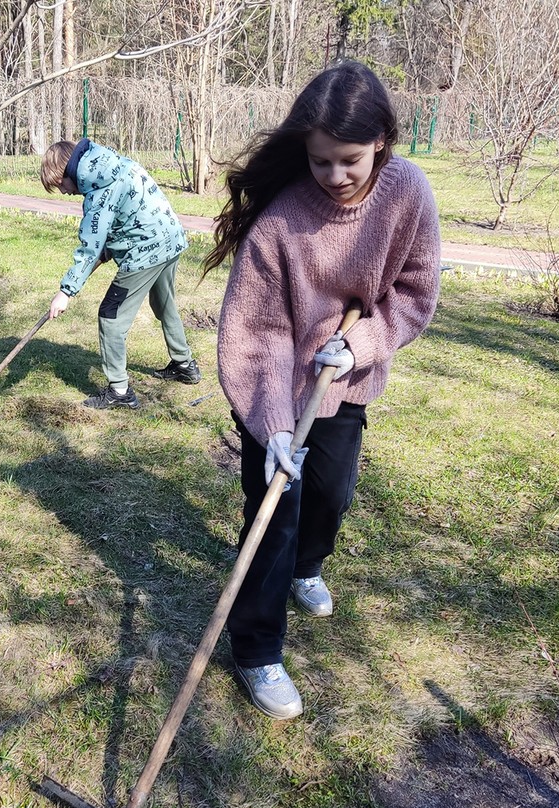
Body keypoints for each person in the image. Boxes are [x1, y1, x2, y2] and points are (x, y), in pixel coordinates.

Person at [207, 61, 441, 720]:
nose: (335, 177)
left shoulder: (407, 194)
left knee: (331, 495)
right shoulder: (281, 223)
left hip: (348, 380)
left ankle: (310, 566)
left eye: (350, 162)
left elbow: (417, 293)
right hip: (273, 390)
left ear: (382, 145)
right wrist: (275, 427)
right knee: (272, 514)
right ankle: (256, 650)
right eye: (320, 163)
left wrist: (364, 343)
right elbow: (254, 334)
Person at [41, 138, 200, 410]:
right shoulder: (112, 164)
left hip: (146, 251)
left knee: (110, 317)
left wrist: (65, 293)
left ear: (66, 173)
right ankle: (184, 365)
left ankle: (120, 391)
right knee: (164, 304)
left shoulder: (98, 190)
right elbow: (124, 216)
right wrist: (109, 249)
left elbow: (89, 246)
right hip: (170, 238)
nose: (64, 192)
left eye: (60, 186)